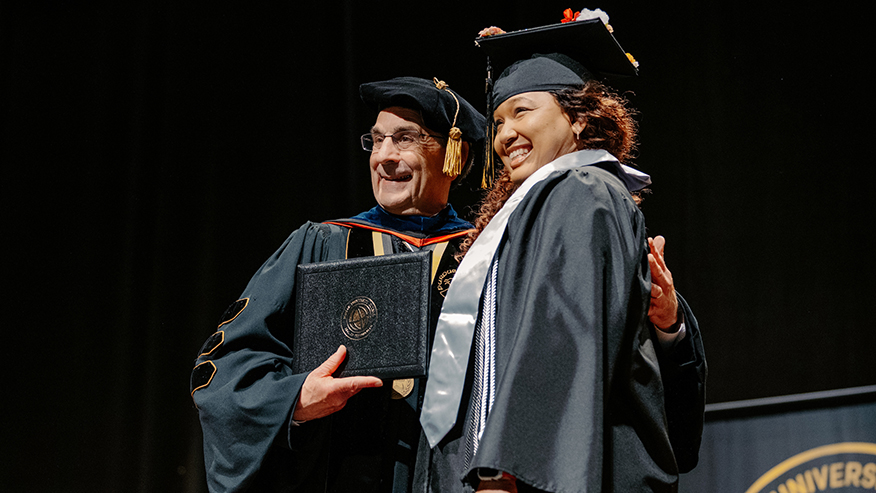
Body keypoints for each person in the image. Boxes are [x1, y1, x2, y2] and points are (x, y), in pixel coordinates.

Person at [190, 76, 698, 491]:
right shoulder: (320, 245)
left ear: (454, 156)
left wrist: (668, 322)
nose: (383, 156)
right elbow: (223, 365)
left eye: (406, 138)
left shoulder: (495, 250)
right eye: (376, 139)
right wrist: (296, 398)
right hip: (344, 473)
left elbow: (582, 348)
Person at [418, 13, 706, 493]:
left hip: (531, 477)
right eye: (498, 122)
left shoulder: (583, 189)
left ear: (577, 117)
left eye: (523, 112)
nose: (504, 134)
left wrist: (502, 469)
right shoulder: (530, 213)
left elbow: (561, 338)